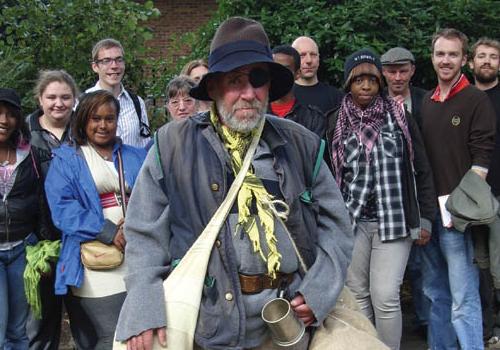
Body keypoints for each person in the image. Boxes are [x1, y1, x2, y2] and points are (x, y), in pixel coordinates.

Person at [115, 16, 353, 350]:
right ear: (212, 89)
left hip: (289, 324)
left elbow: (337, 227)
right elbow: (144, 233)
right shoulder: (172, 145)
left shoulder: (302, 144)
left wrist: (319, 292)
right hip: (208, 324)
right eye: (234, 81)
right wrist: (144, 308)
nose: (248, 93)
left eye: (258, 80)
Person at [325, 49, 435, 350]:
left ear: (379, 83)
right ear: (348, 83)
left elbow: (421, 169)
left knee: (385, 296)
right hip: (352, 221)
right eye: (358, 79)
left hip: (395, 220)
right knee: (357, 293)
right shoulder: (336, 121)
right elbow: (326, 175)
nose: (365, 86)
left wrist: (425, 217)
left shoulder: (400, 118)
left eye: (371, 79)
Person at [44, 90, 146, 349]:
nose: (103, 125)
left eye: (109, 119)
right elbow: (63, 210)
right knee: (111, 334)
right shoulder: (68, 159)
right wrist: (108, 231)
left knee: (136, 331)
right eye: (95, 118)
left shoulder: (135, 156)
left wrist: (136, 221)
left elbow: (155, 196)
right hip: (95, 256)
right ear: (83, 121)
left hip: (135, 252)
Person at [419, 28, 496, 350]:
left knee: (464, 299)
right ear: (433, 58)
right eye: (440, 54)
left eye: (452, 54)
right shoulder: (426, 100)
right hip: (429, 216)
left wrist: (460, 208)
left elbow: (482, 160)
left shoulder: (476, 100)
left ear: (464, 59)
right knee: (436, 294)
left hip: (458, 218)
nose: (445, 60)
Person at [26, 70, 78, 350]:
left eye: (65, 97)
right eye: (51, 97)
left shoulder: (84, 130)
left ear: (74, 99)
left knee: (84, 319)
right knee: (41, 324)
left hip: (79, 239)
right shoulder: (25, 134)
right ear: (40, 99)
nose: (58, 103)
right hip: (40, 241)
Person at [381, 46, 430, 338]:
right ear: (383, 72)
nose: (397, 77)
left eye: (403, 70)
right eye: (391, 71)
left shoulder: (428, 101)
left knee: (424, 271)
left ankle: (425, 325)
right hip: (391, 206)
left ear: (412, 70)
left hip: (421, 195)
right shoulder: (372, 103)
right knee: (388, 282)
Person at [0, 88, 46, 349]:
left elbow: (38, 197)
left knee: (19, 330)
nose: (3, 120)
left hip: (21, 249)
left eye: (10, 114)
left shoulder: (28, 152)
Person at [468, 37, 500, 345]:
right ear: (471, 62)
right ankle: (488, 330)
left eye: (493, 56)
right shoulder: (463, 99)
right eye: (482, 56)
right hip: (476, 200)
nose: (487, 61)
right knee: (482, 268)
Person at [86, 38, 151, 148]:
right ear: (95, 67)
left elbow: (144, 147)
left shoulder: (137, 103)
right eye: (106, 61)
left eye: (118, 60)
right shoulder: (83, 102)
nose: (114, 66)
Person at [269, 45, 326, 137]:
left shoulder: (313, 118)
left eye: (285, 70)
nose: (278, 75)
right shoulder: (255, 113)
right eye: (274, 69)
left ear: (298, 74)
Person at [291, 36, 343, 114]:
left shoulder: (336, 98)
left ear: (318, 58)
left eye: (313, 54)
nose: (309, 60)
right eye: (302, 55)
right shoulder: (283, 96)